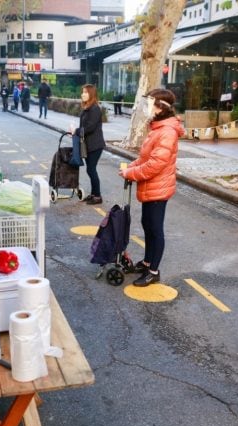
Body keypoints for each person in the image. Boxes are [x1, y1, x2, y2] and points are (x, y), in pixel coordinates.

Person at [118, 89, 184, 287]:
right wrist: (131, 166)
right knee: (148, 225)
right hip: (151, 187)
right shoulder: (156, 128)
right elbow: (145, 157)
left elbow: (155, 164)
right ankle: (147, 262)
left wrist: (131, 173)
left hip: (158, 188)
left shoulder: (167, 132)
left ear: (160, 107)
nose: (147, 107)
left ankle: (153, 271)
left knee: (155, 230)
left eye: (150, 103)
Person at [74, 84, 107, 205]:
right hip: (88, 144)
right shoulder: (88, 107)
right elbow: (84, 126)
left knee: (91, 169)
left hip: (95, 145)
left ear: (91, 94)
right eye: (82, 92)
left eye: (86, 92)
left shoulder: (94, 109)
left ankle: (97, 196)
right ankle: (93, 194)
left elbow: (90, 127)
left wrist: (76, 131)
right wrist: (76, 131)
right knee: (90, 169)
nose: (83, 94)